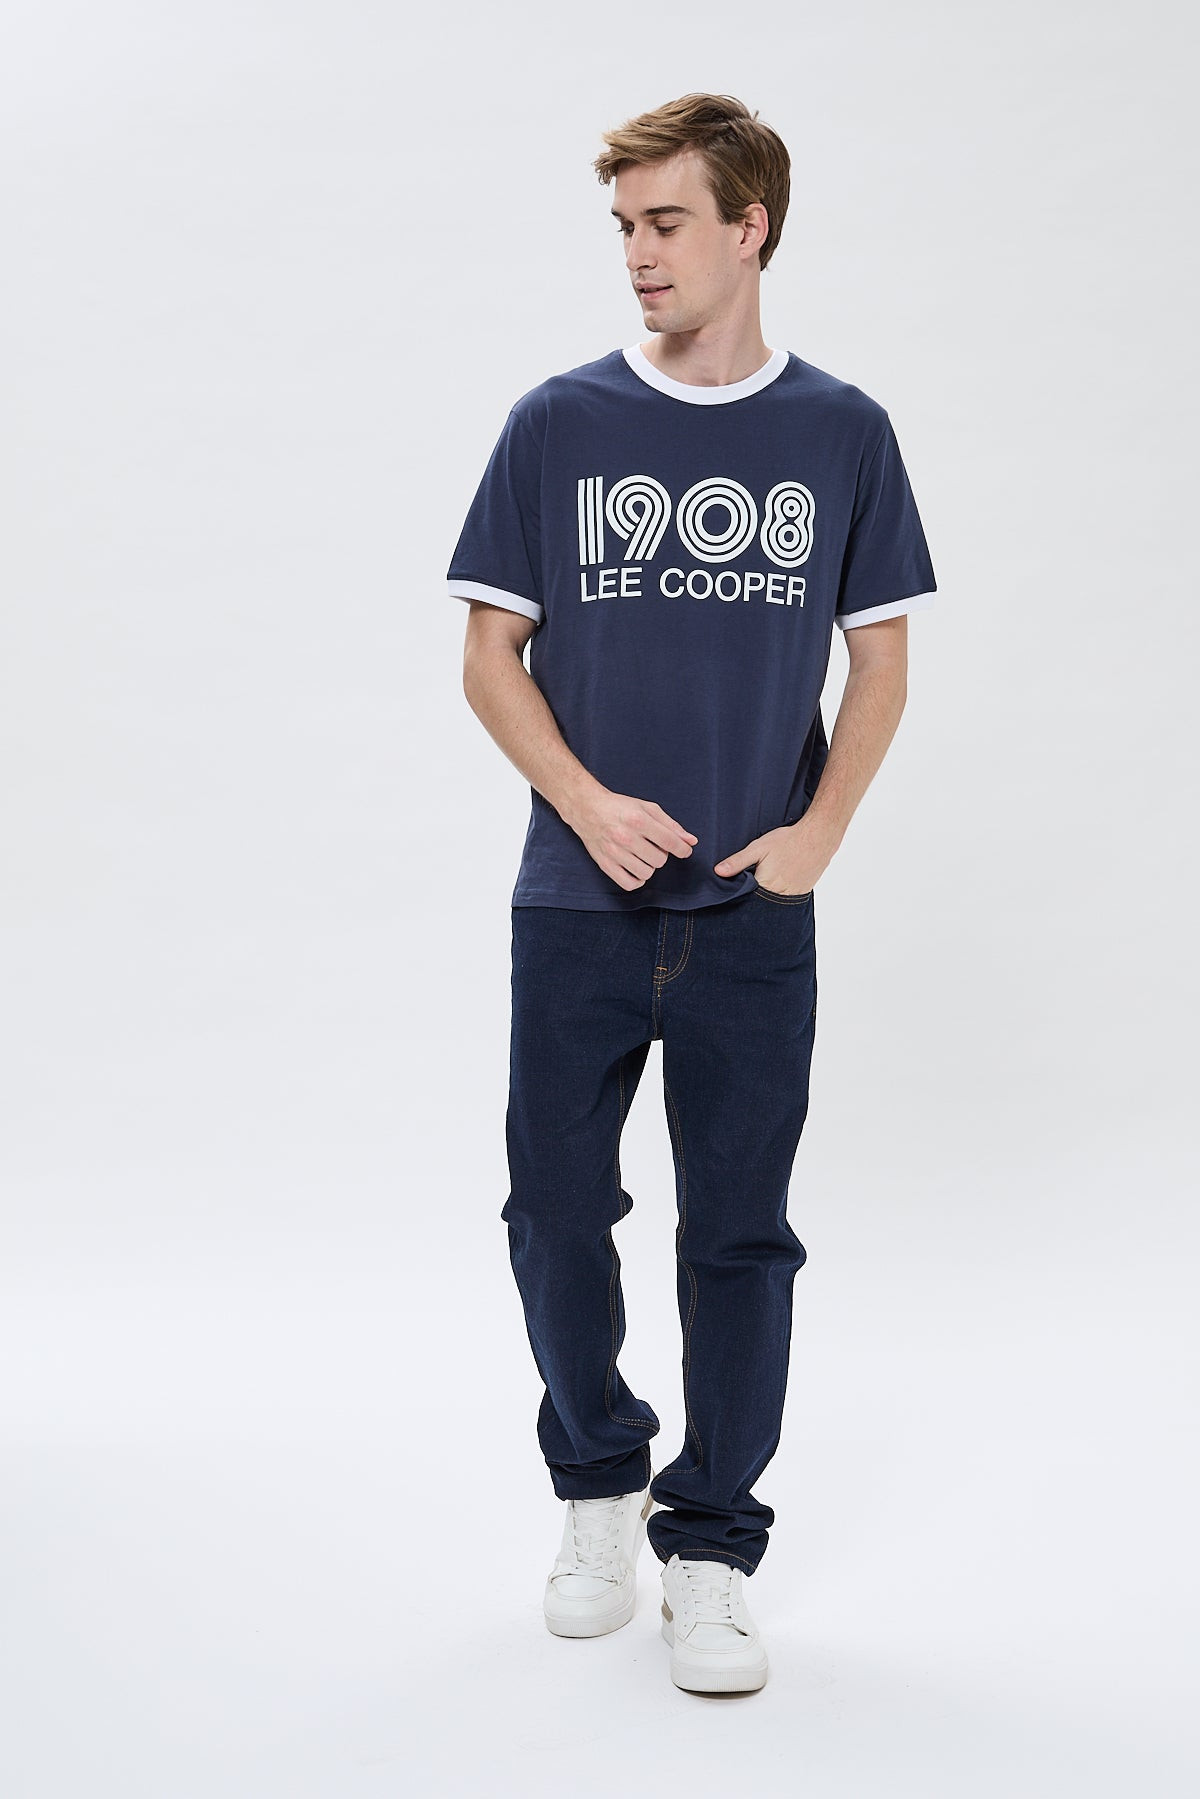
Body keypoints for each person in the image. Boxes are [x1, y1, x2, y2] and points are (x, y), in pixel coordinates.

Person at [444, 91, 937, 1695]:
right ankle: (600, 1484)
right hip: (574, 909)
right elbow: (489, 657)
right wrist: (585, 804)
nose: (639, 254)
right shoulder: (559, 422)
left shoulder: (842, 432)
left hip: (751, 919)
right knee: (551, 1215)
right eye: (625, 227)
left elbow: (881, 662)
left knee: (738, 1239)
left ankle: (713, 1545)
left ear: (750, 228)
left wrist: (820, 834)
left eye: (666, 224)